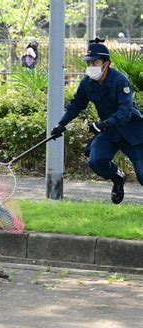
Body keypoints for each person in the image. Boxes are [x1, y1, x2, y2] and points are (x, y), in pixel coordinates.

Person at [51, 38, 143, 204]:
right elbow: (76, 105)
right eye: (89, 63)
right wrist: (61, 124)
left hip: (132, 132)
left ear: (106, 63)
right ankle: (117, 177)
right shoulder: (87, 83)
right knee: (96, 161)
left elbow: (125, 112)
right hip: (110, 132)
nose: (91, 66)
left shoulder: (120, 80)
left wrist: (103, 124)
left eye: (95, 62)